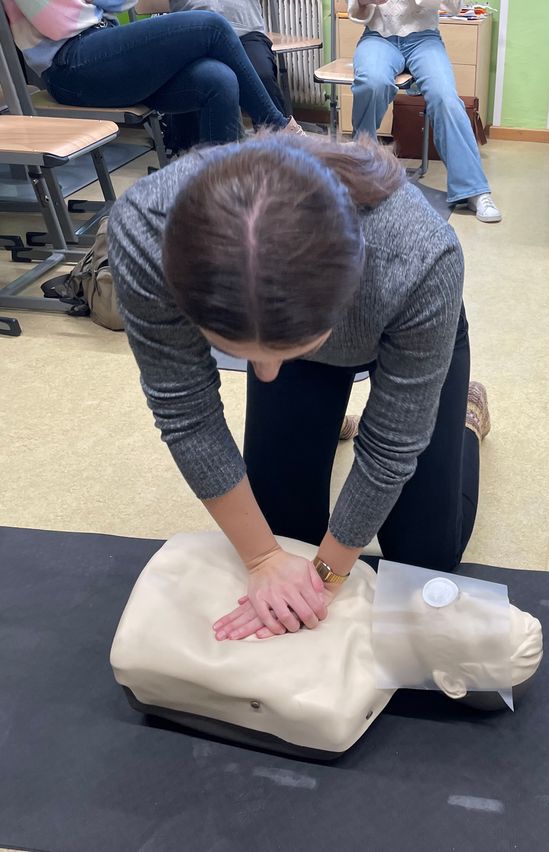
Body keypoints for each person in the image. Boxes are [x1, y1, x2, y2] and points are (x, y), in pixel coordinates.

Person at [108, 132, 492, 644]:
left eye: (280, 354)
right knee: (286, 527)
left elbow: (393, 447)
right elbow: (185, 410)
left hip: (406, 329)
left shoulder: (418, 258)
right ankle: (325, 413)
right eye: (239, 354)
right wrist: (264, 557)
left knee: (424, 558)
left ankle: (463, 416)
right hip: (296, 322)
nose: (263, 375)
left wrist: (324, 579)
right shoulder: (145, 230)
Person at [111, 531, 543, 757]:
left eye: (477, 620)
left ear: (451, 681)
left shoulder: (336, 700)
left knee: (432, 539)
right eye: (488, 601)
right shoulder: (364, 580)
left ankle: (465, 422)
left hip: (152, 629)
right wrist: (263, 559)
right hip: (179, 576)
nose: (463, 596)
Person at [2, 0, 296, 145]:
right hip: (69, 64)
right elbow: (57, 22)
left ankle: (220, 203)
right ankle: (282, 131)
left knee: (219, 79)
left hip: (99, 45)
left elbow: (121, 2)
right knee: (211, 25)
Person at [348, 0, 501, 223]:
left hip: (424, 39)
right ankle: (362, 173)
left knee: (445, 97)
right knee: (372, 83)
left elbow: (455, 6)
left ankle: (473, 189)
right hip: (377, 37)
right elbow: (355, 7)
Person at [165, 0, 297, 152]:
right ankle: (196, 158)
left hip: (246, 31)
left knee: (262, 76)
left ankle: (283, 150)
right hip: (196, 31)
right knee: (205, 78)